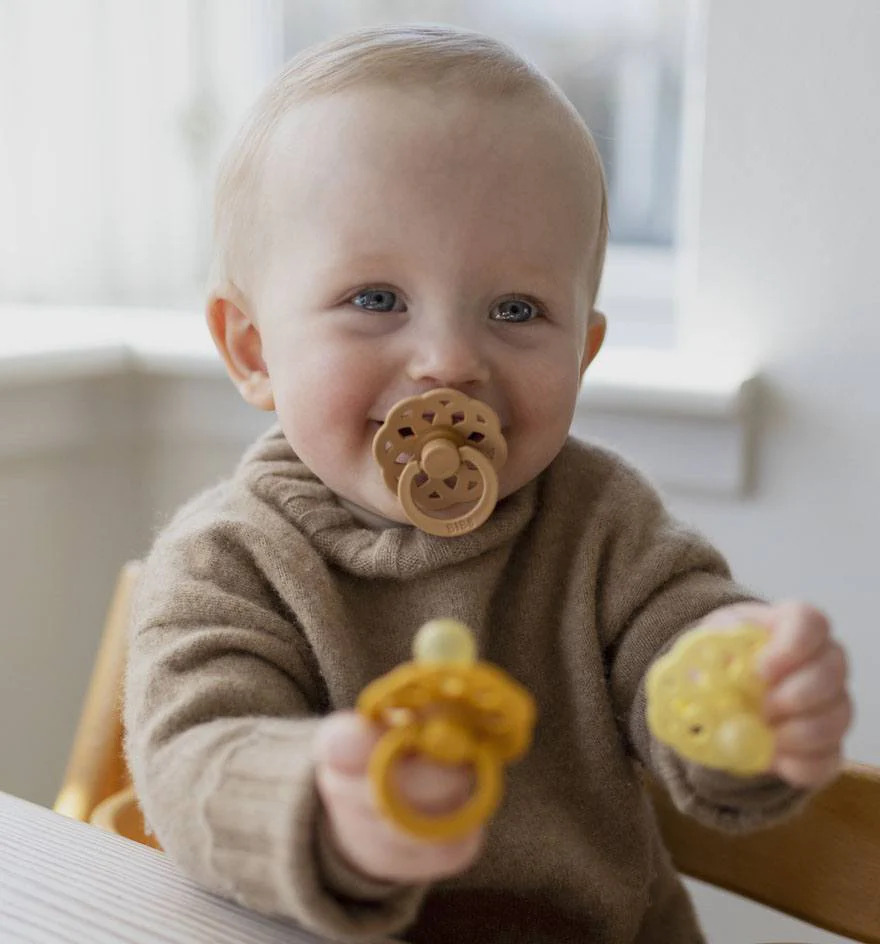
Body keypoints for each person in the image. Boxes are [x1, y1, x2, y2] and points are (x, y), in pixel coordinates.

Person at [124, 24, 852, 944]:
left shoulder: (603, 526)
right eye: (377, 299)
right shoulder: (227, 560)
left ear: (581, 354)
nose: (449, 362)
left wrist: (750, 692)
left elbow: (682, 648)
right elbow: (192, 763)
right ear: (254, 349)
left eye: (516, 310)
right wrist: (322, 803)